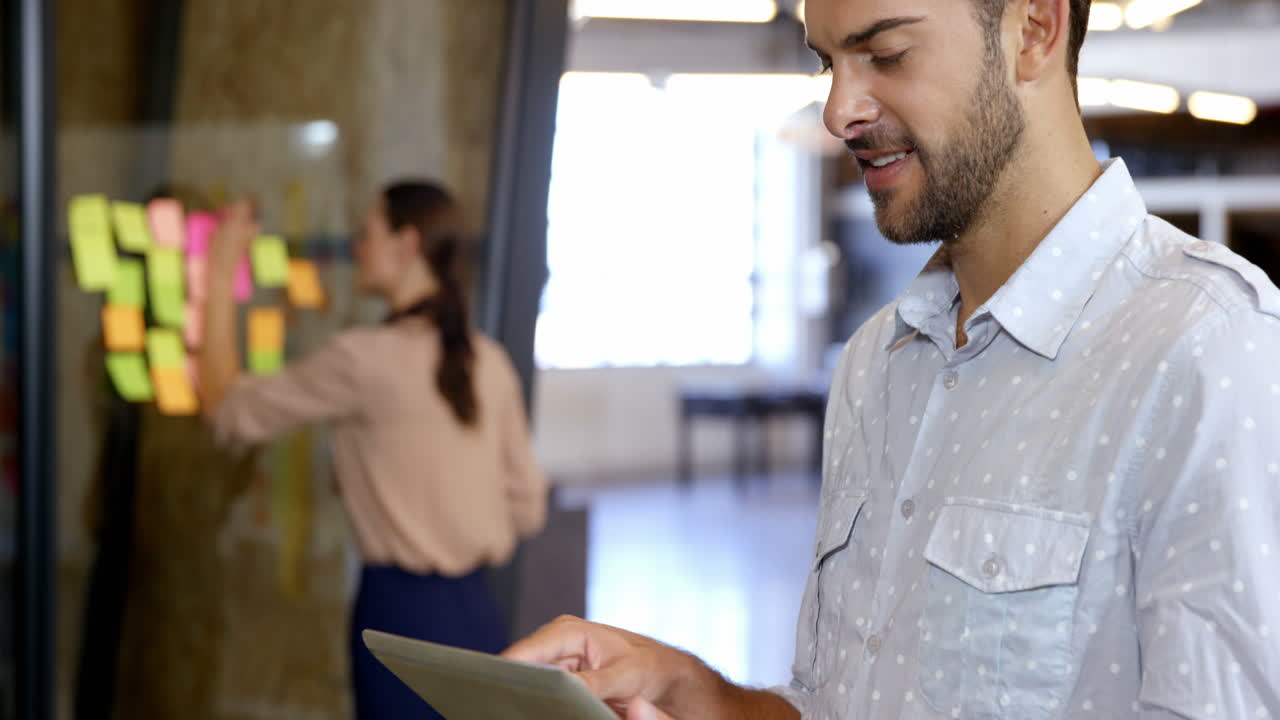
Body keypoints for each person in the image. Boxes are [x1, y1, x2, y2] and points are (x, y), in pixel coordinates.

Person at [503, 0, 1280, 718]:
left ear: (1035, 29)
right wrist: (700, 695)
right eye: (828, 63)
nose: (840, 110)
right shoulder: (878, 362)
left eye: (886, 54)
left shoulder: (1211, 353)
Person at [200, 181, 548, 719]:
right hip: (482, 616)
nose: (357, 247)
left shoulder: (364, 360)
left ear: (406, 243)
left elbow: (226, 408)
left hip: (401, 619)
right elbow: (528, 507)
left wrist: (220, 270)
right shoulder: (491, 360)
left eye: (367, 234)